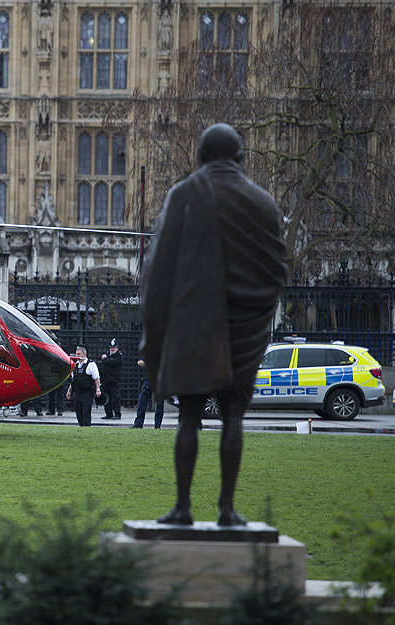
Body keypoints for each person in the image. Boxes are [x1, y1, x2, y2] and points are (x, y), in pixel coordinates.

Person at [141, 123, 286, 526]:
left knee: (188, 415)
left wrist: (156, 331)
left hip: (194, 326)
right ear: (240, 158)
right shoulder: (263, 202)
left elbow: (157, 271)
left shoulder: (184, 194)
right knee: (233, 416)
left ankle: (183, 508)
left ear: (201, 158)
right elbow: (276, 272)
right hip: (246, 326)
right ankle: (227, 509)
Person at [65, 346, 101, 426]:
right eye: (76, 354)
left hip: (86, 393)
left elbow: (96, 378)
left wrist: (98, 389)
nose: (77, 356)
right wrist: (69, 391)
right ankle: (81, 426)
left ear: (84, 354)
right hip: (77, 393)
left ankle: (87, 427)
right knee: (78, 412)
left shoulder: (91, 364)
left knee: (86, 412)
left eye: (79, 354)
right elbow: (73, 380)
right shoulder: (75, 365)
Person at [131, 359, 164, 429]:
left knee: (159, 404)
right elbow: (140, 362)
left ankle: (157, 425)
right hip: (150, 379)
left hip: (160, 380)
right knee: (142, 401)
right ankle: (138, 424)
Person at [99, 338, 123, 420]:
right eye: (111, 347)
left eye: (114, 348)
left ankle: (117, 413)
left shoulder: (118, 357)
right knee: (106, 398)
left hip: (114, 381)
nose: (112, 349)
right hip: (106, 380)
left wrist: (105, 359)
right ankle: (108, 413)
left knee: (115, 398)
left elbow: (113, 363)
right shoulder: (107, 355)